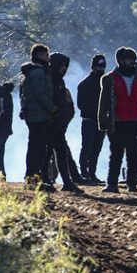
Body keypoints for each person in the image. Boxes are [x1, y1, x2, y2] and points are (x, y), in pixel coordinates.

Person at [98, 47, 137, 193]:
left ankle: (132, 184)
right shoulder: (109, 79)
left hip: (135, 122)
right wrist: (103, 120)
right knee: (115, 154)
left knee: (134, 154)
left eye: (129, 59)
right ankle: (112, 183)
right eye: (124, 59)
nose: (127, 62)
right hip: (117, 122)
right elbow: (104, 101)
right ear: (119, 61)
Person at [19, 44, 57, 188]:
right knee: (39, 148)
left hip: (33, 115)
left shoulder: (30, 73)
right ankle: (33, 180)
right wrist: (53, 109)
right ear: (40, 55)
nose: (49, 58)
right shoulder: (39, 73)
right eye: (47, 55)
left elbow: (24, 95)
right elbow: (40, 94)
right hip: (39, 115)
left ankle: (31, 178)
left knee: (35, 146)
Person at [45, 52, 81, 192]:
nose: (64, 68)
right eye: (62, 65)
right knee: (48, 153)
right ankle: (46, 179)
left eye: (66, 66)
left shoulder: (59, 80)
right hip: (50, 122)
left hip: (59, 124)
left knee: (60, 153)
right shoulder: (48, 79)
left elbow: (68, 105)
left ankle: (67, 181)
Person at [77, 54, 107, 183]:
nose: (101, 68)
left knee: (96, 148)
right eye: (99, 66)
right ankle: (84, 174)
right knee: (87, 147)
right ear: (93, 66)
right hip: (89, 120)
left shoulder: (106, 83)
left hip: (101, 121)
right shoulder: (85, 84)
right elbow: (80, 104)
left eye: (103, 66)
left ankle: (92, 174)